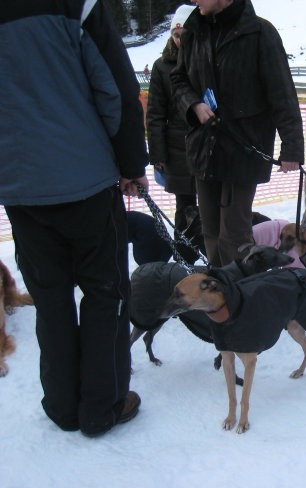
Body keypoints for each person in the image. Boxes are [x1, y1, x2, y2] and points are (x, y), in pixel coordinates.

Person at [1, 0, 148, 435]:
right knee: (105, 295)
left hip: (20, 189)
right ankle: (102, 407)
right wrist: (130, 164)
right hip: (86, 179)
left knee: (50, 297)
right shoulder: (77, 6)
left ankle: (62, 406)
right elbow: (116, 89)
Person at [171, 0, 303, 266]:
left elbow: (282, 92)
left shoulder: (260, 33)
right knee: (209, 231)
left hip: (243, 149)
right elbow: (178, 79)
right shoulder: (193, 31)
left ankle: (242, 297)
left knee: (234, 234)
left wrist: (292, 147)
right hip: (203, 146)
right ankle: (221, 291)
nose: (194, 1)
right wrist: (193, 104)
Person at [147, 4, 198, 259]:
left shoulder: (204, 59)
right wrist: (158, 155)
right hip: (178, 151)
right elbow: (155, 114)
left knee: (212, 207)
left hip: (207, 145)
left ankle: (210, 255)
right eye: (177, 35)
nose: (180, 40)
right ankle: (184, 260)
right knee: (185, 207)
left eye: (185, 35)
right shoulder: (161, 67)